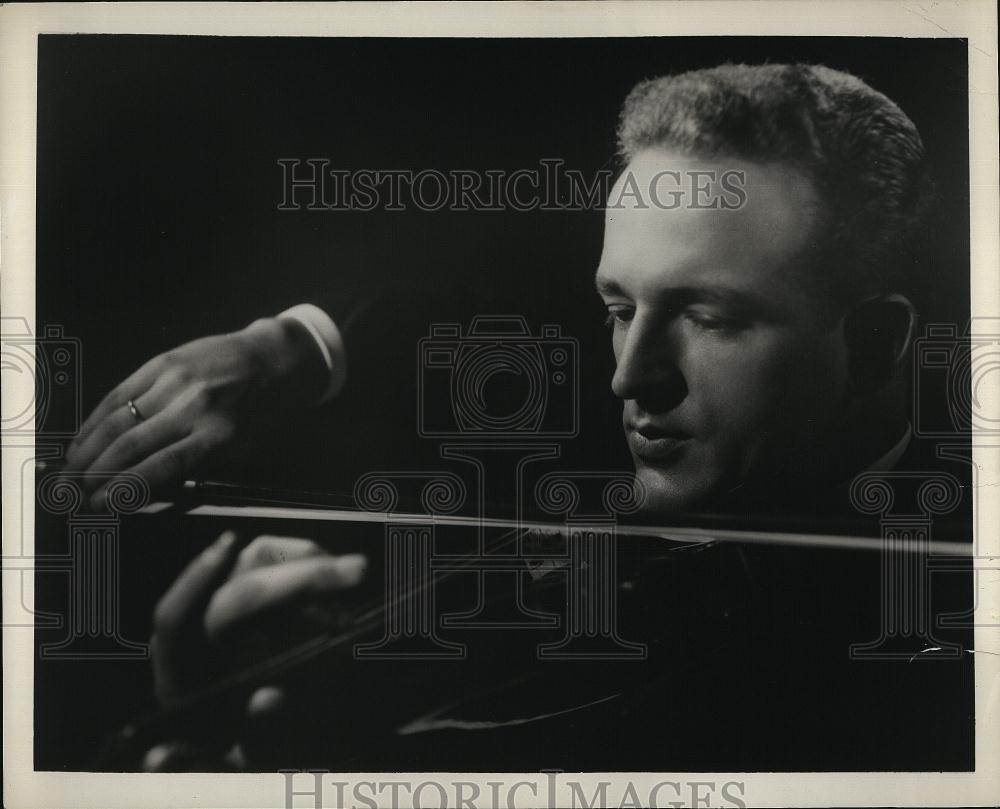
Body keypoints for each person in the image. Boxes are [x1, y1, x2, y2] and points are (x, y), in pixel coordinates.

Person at [66, 63, 972, 771]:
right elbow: (454, 304)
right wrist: (285, 344)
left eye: (711, 318)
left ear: (879, 344)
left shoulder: (932, 672)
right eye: (618, 307)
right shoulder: (690, 421)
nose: (628, 378)